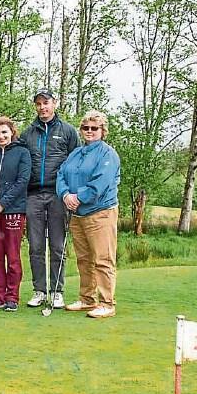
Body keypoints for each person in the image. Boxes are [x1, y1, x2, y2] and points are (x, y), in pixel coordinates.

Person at [57, 110, 121, 318]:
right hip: (78, 214)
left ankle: (107, 303)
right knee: (84, 259)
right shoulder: (76, 153)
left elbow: (100, 184)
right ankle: (87, 299)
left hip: (100, 212)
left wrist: (77, 198)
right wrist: (65, 194)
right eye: (86, 128)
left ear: (103, 131)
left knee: (103, 259)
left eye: (95, 128)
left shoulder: (107, 154)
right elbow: (61, 174)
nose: (90, 131)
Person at [20, 88, 79, 309]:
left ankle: (56, 290)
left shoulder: (68, 132)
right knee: (35, 246)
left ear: (55, 103)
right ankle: (39, 290)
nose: (42, 107)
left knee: (57, 245)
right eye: (38, 104)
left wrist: (72, 194)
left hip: (58, 194)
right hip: (34, 194)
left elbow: (76, 165)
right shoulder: (28, 134)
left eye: (46, 103)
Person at [0, 117, 32, 313]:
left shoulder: (22, 153)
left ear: (12, 132)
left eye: (4, 132)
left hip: (13, 211)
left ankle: (12, 296)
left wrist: (2, 204)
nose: (1, 136)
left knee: (12, 255)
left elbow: (22, 181)